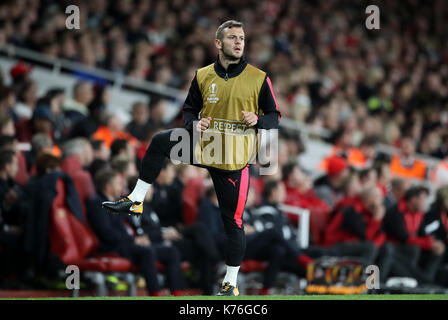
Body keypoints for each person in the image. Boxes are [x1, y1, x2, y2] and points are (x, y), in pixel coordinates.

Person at [102, 20, 281, 296]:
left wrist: (258, 119)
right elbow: (189, 109)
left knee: (232, 223)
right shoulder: (202, 75)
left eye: (242, 38)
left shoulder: (259, 78)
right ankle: (136, 199)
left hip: (233, 160)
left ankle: (230, 282)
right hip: (205, 147)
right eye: (232, 37)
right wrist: (193, 124)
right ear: (218, 44)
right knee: (161, 141)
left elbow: (274, 117)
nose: (238, 42)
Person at [87, 169, 184, 296]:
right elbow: (106, 233)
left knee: (171, 252)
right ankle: (155, 292)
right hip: (115, 246)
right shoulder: (98, 204)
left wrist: (140, 238)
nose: (122, 187)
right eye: (118, 183)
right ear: (108, 186)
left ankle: (176, 292)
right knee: (147, 251)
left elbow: (129, 227)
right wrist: (133, 240)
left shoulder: (117, 203)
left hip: (129, 243)